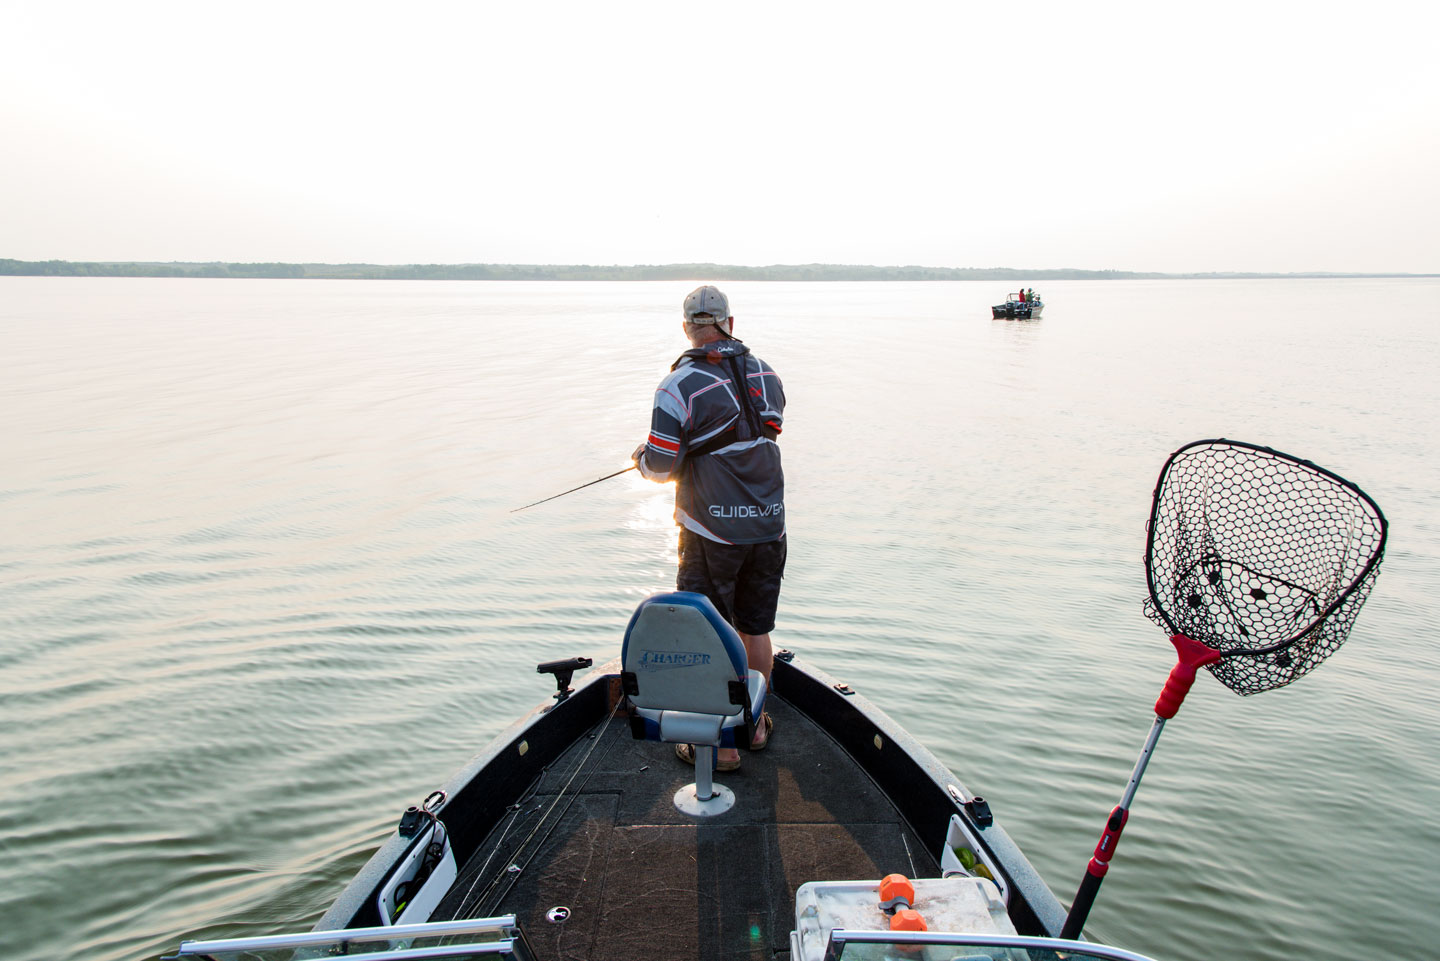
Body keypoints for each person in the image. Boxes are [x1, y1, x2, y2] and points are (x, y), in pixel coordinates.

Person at [632, 284, 786, 770]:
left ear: (686, 329)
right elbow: (759, 435)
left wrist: (640, 460)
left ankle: (720, 748)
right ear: (730, 325)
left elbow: (661, 467)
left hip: (710, 532)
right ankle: (755, 726)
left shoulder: (676, 387)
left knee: (707, 632)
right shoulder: (769, 375)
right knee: (755, 627)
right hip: (769, 526)